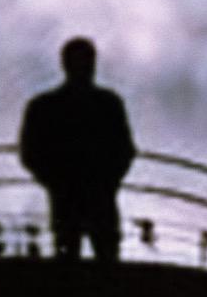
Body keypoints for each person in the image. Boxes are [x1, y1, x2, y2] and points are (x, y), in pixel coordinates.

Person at [17, 36, 136, 261]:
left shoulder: (45, 106)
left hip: (81, 197)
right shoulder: (107, 104)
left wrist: (57, 182)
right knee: (95, 260)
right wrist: (103, 182)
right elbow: (30, 152)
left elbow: (125, 150)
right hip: (86, 198)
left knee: (77, 259)